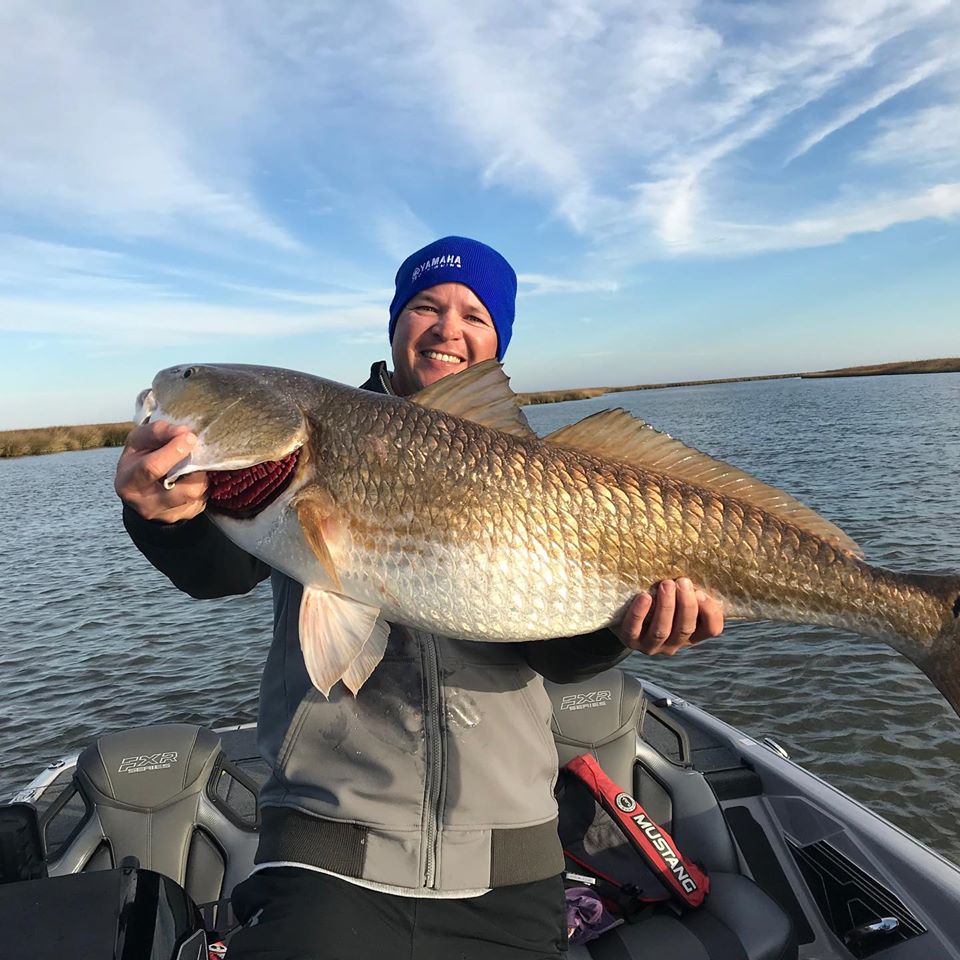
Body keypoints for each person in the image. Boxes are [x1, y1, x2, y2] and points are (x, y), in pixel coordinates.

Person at [115, 236, 723, 959]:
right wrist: (161, 516)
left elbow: (556, 657)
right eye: (426, 307)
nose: (448, 327)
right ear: (396, 324)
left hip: (513, 856)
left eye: (475, 315)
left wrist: (624, 629)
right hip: (327, 848)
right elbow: (215, 570)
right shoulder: (313, 444)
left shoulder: (543, 471)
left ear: (498, 342)